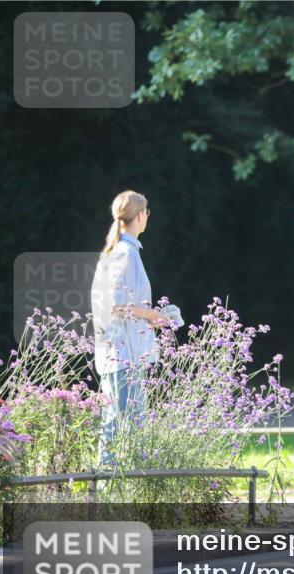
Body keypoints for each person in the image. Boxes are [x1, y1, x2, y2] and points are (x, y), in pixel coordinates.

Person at [91, 190, 169, 465]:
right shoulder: (126, 253)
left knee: (115, 425)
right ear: (139, 216)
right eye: (147, 212)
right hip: (122, 354)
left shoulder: (115, 251)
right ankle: (117, 492)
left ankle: (105, 491)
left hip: (116, 352)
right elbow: (117, 304)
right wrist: (153, 315)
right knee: (130, 426)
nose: (147, 216)